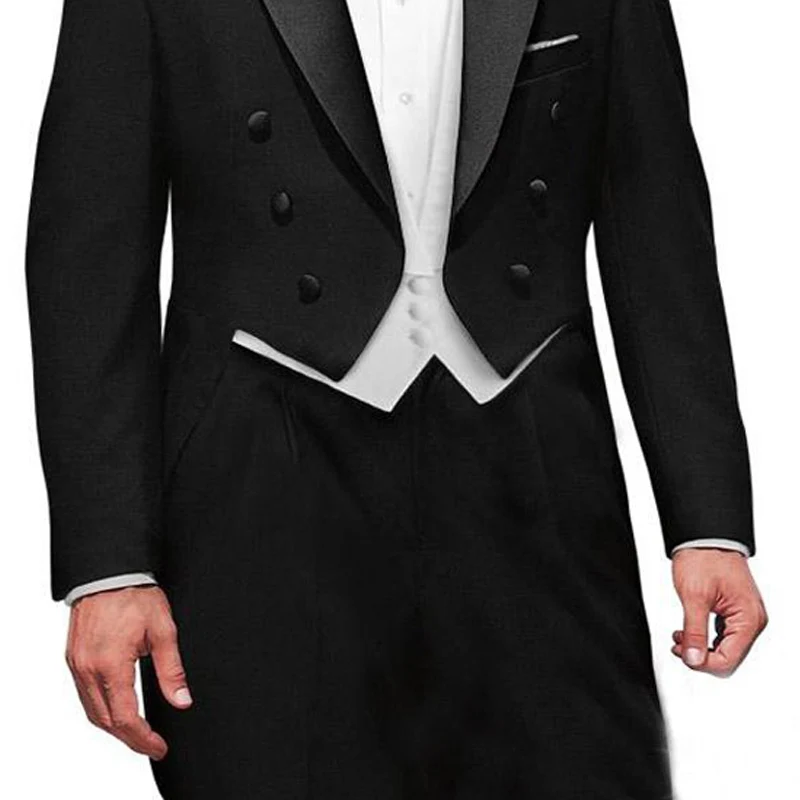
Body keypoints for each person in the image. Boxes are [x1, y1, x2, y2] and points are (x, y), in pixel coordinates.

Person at [26, 0, 768, 797]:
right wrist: (110, 568)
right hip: (257, 484)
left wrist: (707, 525)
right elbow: (90, 261)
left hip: (537, 469)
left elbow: (659, 234)